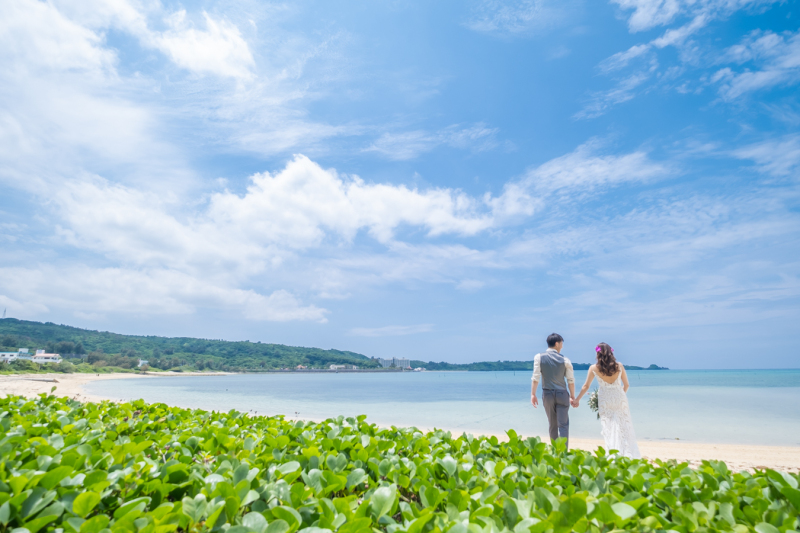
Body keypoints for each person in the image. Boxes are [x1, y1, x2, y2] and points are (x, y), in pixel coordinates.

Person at [573, 342, 641, 458]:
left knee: (609, 427)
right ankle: (627, 454)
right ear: (611, 352)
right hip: (620, 398)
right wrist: (619, 395)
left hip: (605, 400)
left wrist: (577, 399)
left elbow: (586, 386)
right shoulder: (619, 366)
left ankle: (613, 454)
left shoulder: (593, 368)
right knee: (623, 427)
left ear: (598, 354)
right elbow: (627, 385)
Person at [530, 333, 576, 449]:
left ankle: (555, 451)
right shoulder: (565, 360)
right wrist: (572, 396)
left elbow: (536, 378)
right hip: (562, 394)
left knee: (552, 424)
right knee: (563, 425)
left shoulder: (538, 357)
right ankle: (563, 452)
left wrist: (533, 394)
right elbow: (570, 380)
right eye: (561, 344)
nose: (562, 346)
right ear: (557, 344)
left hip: (547, 394)